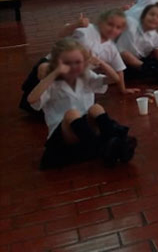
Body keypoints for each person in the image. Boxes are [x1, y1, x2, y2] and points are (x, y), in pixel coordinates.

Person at [28, 38, 137, 169]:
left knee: (96, 108)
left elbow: (115, 79)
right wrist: (54, 73)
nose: (74, 67)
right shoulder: (52, 84)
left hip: (86, 128)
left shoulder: (85, 75)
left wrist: (101, 63)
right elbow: (31, 99)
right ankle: (100, 148)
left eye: (77, 62)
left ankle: (115, 140)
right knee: (72, 114)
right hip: (64, 133)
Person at [117, 4, 158, 84]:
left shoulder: (156, 38)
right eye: (151, 14)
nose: (154, 18)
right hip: (118, 60)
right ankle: (149, 72)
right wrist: (121, 10)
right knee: (125, 54)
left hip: (138, 63)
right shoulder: (130, 23)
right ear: (143, 17)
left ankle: (147, 72)